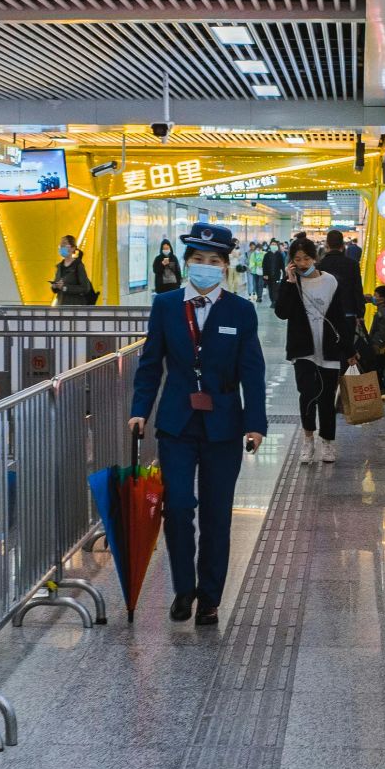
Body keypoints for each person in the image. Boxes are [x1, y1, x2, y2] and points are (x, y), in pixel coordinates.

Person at [128, 221, 267, 627]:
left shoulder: (241, 311)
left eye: (213, 261)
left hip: (224, 425)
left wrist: (255, 422)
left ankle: (209, 597)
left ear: (225, 266)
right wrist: (140, 408)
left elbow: (251, 371)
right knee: (179, 508)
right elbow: (151, 362)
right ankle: (183, 588)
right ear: (187, 263)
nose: (205, 267)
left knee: (216, 514)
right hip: (177, 423)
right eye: (198, 260)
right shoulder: (167, 305)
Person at [274, 239, 366, 464]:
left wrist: (349, 350)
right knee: (307, 395)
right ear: (291, 262)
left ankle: (327, 442)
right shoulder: (291, 283)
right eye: (297, 259)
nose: (303, 263)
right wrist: (289, 282)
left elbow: (338, 318)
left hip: (329, 349)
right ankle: (308, 440)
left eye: (306, 258)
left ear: (315, 258)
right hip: (302, 349)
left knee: (326, 399)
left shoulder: (330, 281)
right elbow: (281, 313)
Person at [363, 284, 385, 396]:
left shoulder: (384, 312)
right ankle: (381, 390)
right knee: (378, 368)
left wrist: (377, 344)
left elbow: (383, 331)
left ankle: (380, 390)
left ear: (382, 299)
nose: (373, 297)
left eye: (375, 295)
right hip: (379, 346)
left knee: (377, 368)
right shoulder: (382, 311)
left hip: (379, 347)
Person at [52, 235, 94, 305]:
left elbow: (85, 288)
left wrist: (65, 288)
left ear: (73, 248)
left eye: (64, 243)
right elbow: (57, 288)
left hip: (75, 308)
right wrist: (55, 286)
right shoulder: (59, 266)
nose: (62, 246)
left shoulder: (78, 265)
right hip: (61, 306)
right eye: (61, 244)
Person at [258, 239, 286, 303]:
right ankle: (272, 300)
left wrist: (284, 273)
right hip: (268, 275)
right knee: (270, 288)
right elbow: (264, 265)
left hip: (277, 274)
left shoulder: (279, 255)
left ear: (277, 246)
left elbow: (282, 265)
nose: (273, 245)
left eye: (275, 244)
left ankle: (275, 301)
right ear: (270, 245)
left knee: (276, 288)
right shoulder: (267, 255)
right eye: (272, 244)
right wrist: (265, 274)